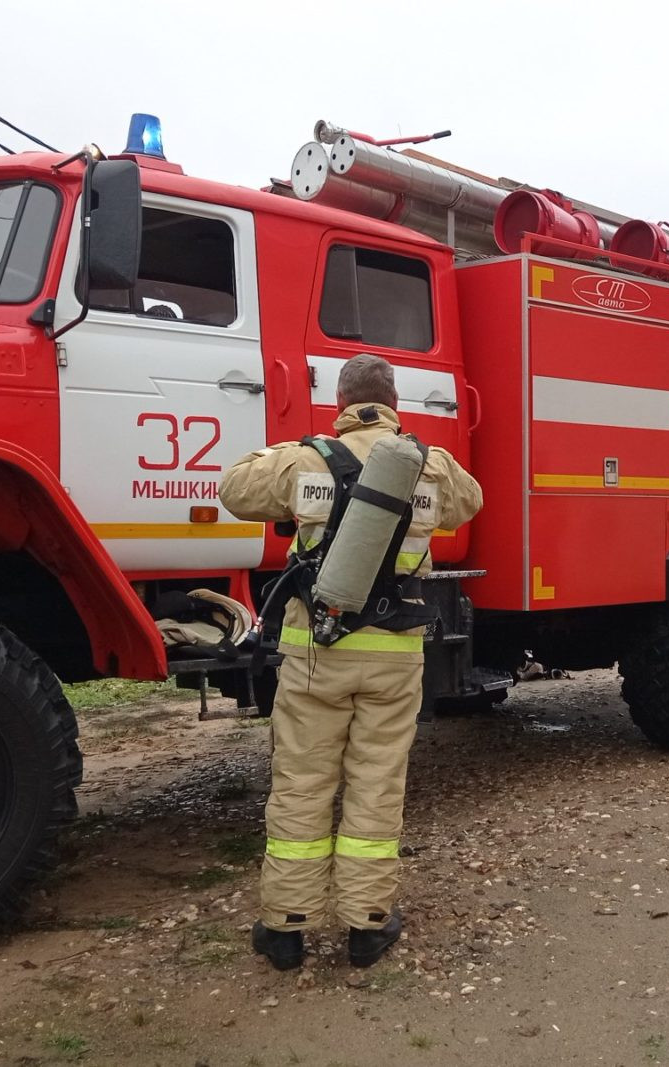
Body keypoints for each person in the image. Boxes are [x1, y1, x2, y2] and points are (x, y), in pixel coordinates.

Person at [220, 354, 482, 970]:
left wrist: (283, 465)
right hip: (394, 657)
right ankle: (368, 924)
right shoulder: (428, 463)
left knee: (303, 785)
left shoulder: (306, 457)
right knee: (376, 787)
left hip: (317, 652)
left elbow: (234, 489)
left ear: (341, 399)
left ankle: (286, 927)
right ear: (393, 400)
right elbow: (469, 502)